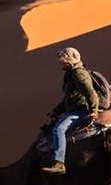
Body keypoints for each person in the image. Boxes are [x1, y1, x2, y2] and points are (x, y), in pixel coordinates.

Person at [41, 46, 100, 174]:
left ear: (69, 59)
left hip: (80, 111)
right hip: (73, 109)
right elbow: (70, 98)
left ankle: (59, 163)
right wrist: (56, 110)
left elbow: (90, 93)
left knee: (59, 129)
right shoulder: (71, 73)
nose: (60, 62)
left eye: (62, 59)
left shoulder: (79, 74)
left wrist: (93, 111)